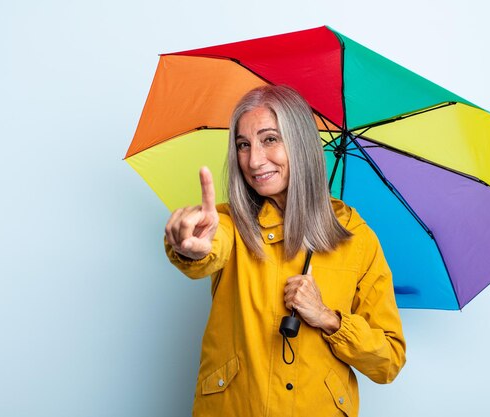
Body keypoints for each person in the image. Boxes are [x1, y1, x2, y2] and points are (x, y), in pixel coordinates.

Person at [164, 85, 406, 417]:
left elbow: (388, 361)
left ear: (302, 144)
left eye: (270, 140)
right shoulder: (229, 223)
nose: (254, 160)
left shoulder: (357, 239)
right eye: (243, 145)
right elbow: (210, 247)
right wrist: (191, 247)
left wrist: (329, 319)